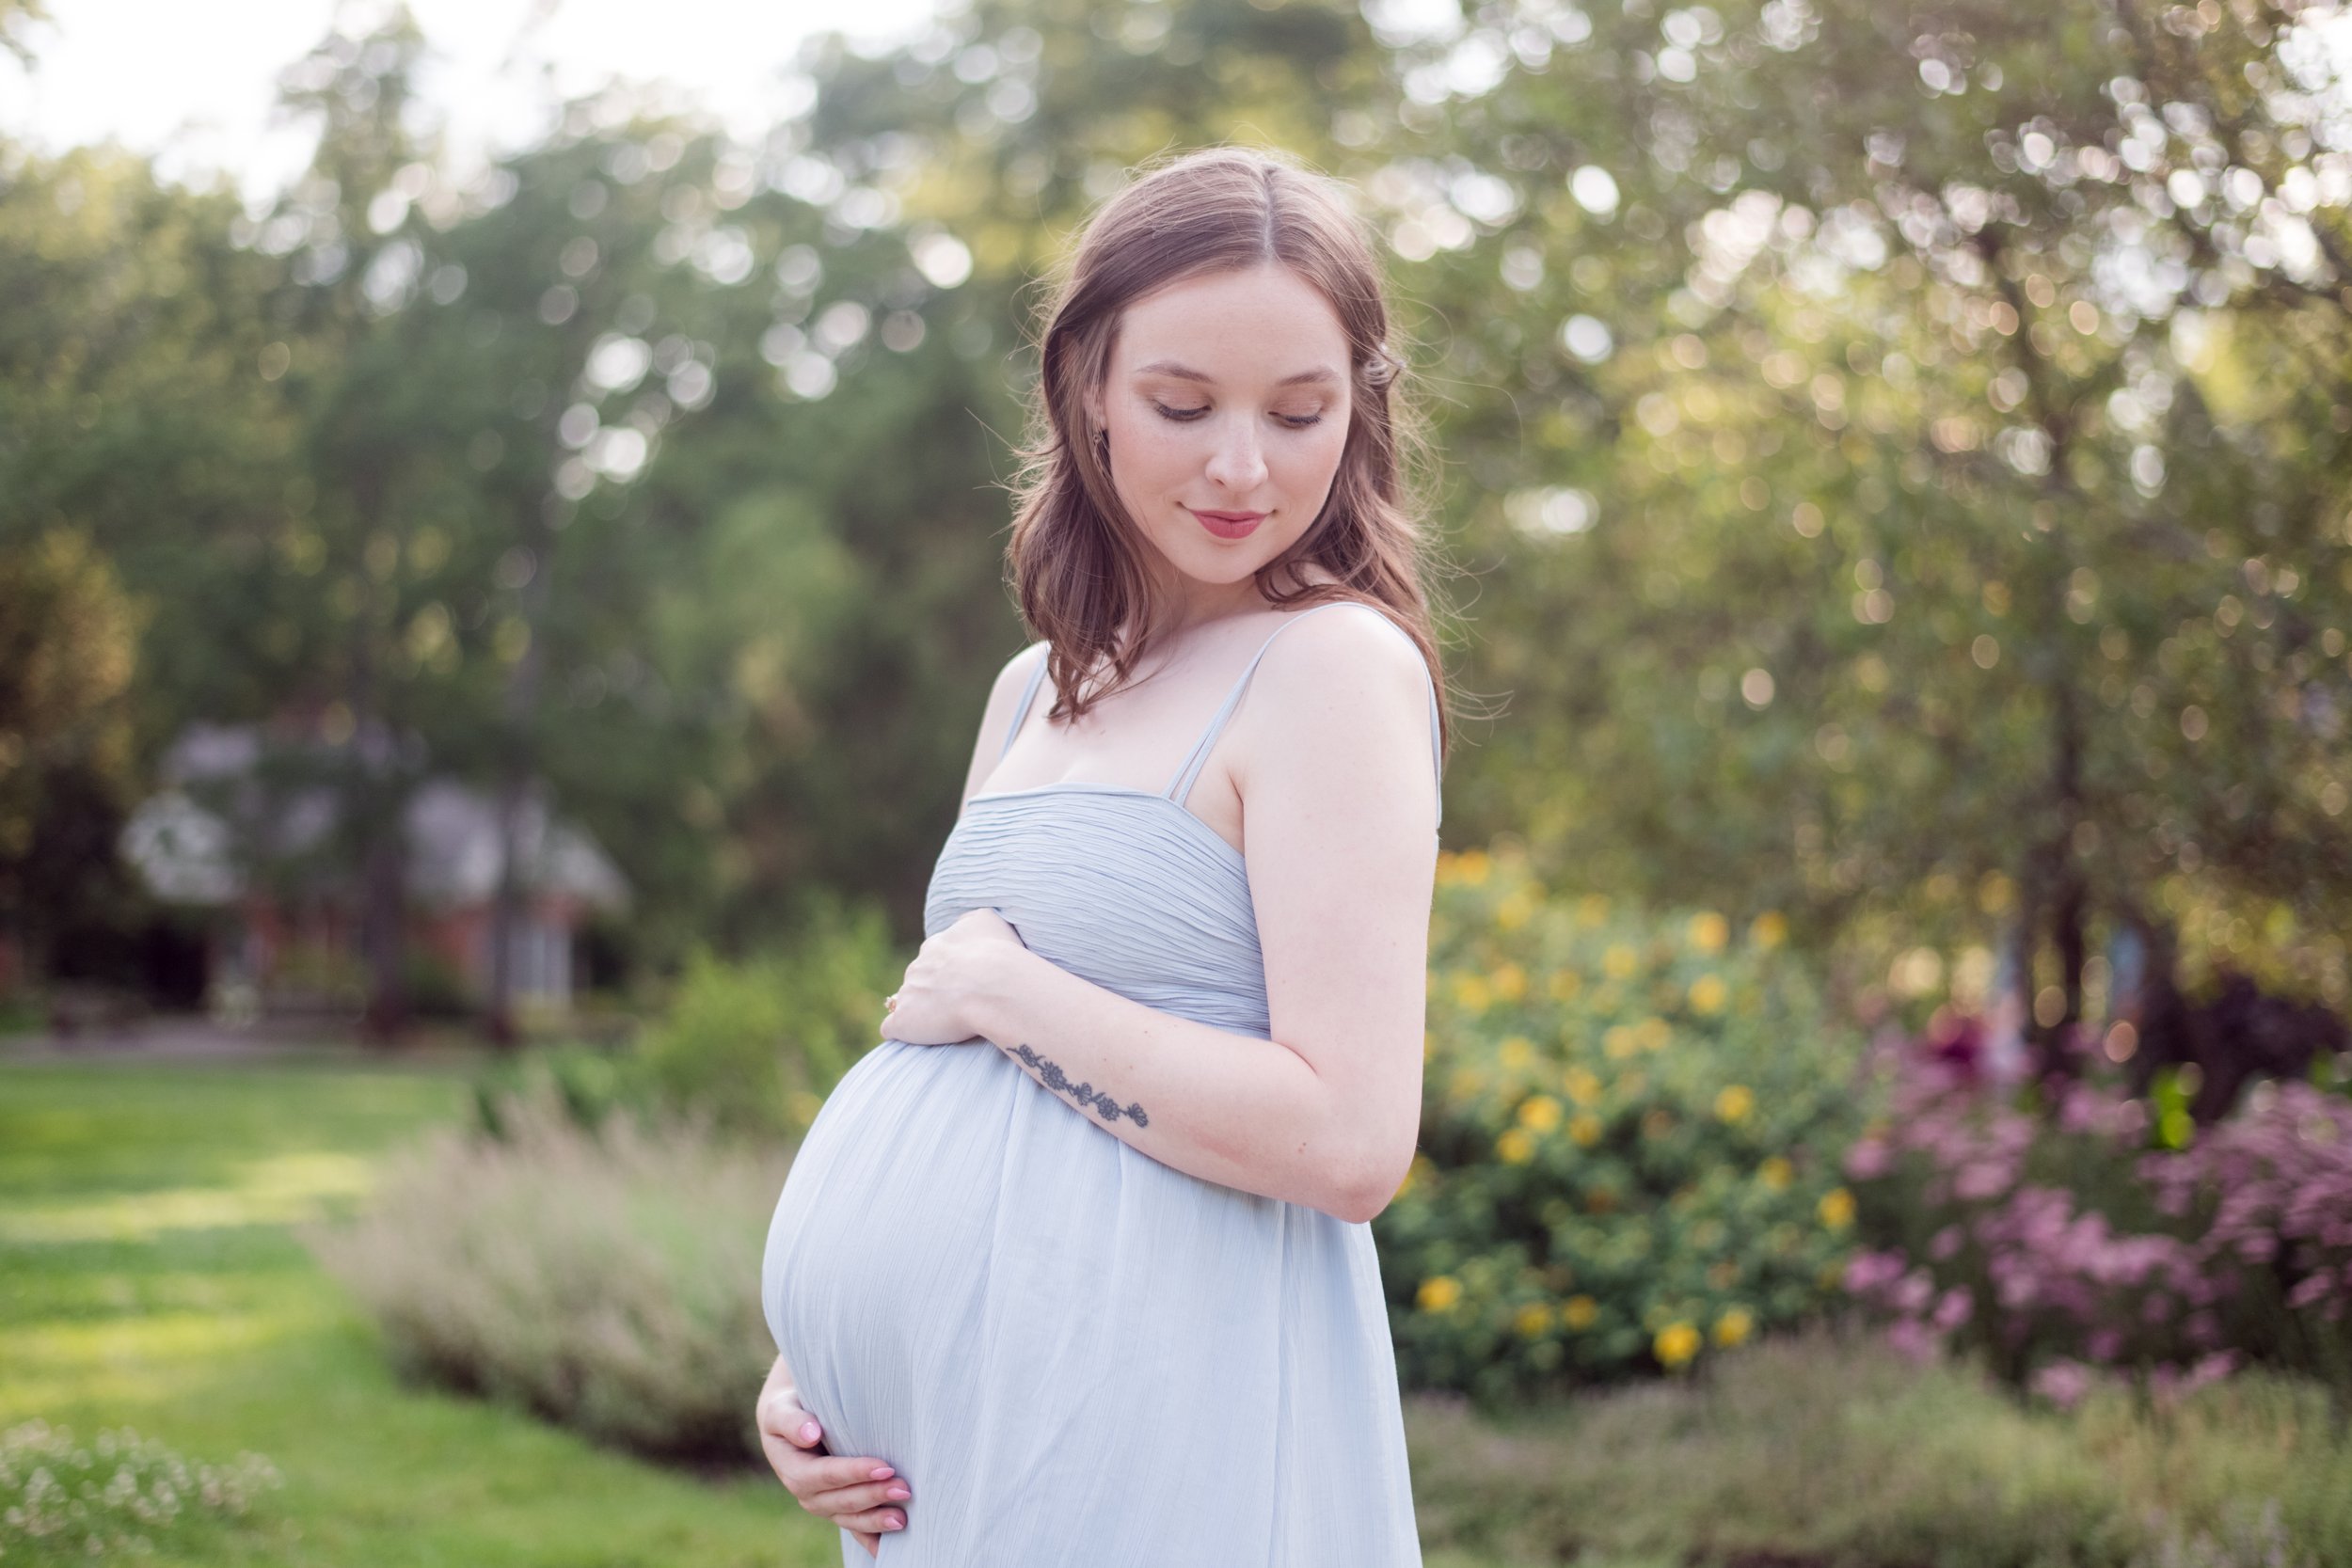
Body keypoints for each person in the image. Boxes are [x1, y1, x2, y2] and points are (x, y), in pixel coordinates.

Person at [754, 145, 1450, 1566]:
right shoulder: (1034, 689)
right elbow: (959, 1073)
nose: (1243, 465)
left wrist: (1012, 994)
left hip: (1152, 1417)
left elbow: (1350, 1141)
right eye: (1182, 405)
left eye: (1300, 412)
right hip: (947, 1446)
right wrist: (813, 1372)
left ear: (1357, 410)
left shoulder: (1333, 669)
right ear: (1090, 392)